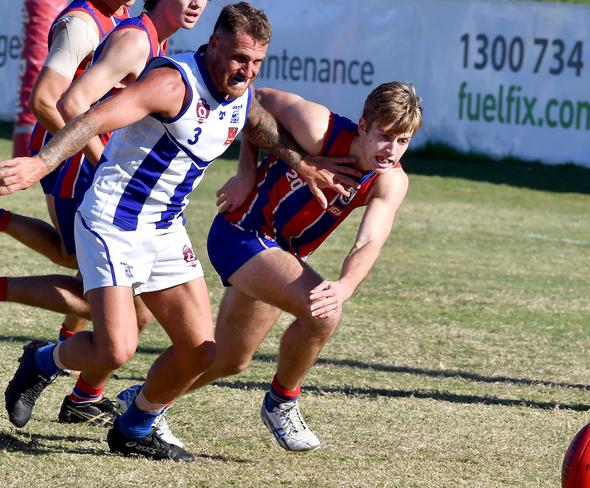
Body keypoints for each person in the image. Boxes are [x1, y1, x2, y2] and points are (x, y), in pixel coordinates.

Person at [1, 2, 358, 461]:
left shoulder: (239, 91)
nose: (245, 71)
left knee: (201, 351)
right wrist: (42, 161)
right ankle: (42, 360)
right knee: (116, 351)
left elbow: (260, 124)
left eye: (255, 63)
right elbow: (93, 117)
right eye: (237, 58)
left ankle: (135, 426)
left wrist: (302, 164)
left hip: (166, 229)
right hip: (114, 221)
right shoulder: (172, 83)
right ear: (213, 45)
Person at [0, 0, 208, 432]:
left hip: (109, 178)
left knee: (116, 297)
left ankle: (83, 391)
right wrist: (103, 160)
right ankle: (71, 378)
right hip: (84, 170)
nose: (196, 2)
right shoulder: (103, 29)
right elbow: (54, 100)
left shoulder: (147, 35)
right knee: (104, 294)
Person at [184, 81, 423, 452]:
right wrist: (248, 171)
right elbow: (255, 101)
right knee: (322, 312)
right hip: (240, 232)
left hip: (279, 255)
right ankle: (282, 401)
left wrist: (345, 285)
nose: (391, 150)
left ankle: (144, 402)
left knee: (228, 360)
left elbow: (369, 241)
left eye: (403, 141)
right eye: (385, 136)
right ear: (363, 125)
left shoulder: (390, 180)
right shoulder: (319, 129)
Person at [0, 0, 133, 362]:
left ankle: (65, 353)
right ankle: (62, 357)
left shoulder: (122, 16)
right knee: (82, 261)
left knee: (82, 261)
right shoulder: (81, 24)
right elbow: (44, 101)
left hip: (94, 149)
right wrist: (93, 153)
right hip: (74, 158)